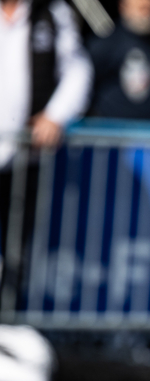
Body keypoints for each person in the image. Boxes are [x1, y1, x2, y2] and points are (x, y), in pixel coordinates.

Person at [1, 0, 92, 307]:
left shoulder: (51, 12)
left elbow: (78, 68)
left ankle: (7, 326)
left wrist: (55, 114)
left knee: (17, 251)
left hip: (24, 157)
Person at [88, 0, 150, 120]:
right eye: (142, 9)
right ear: (124, 6)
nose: (146, 15)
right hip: (113, 130)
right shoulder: (106, 44)